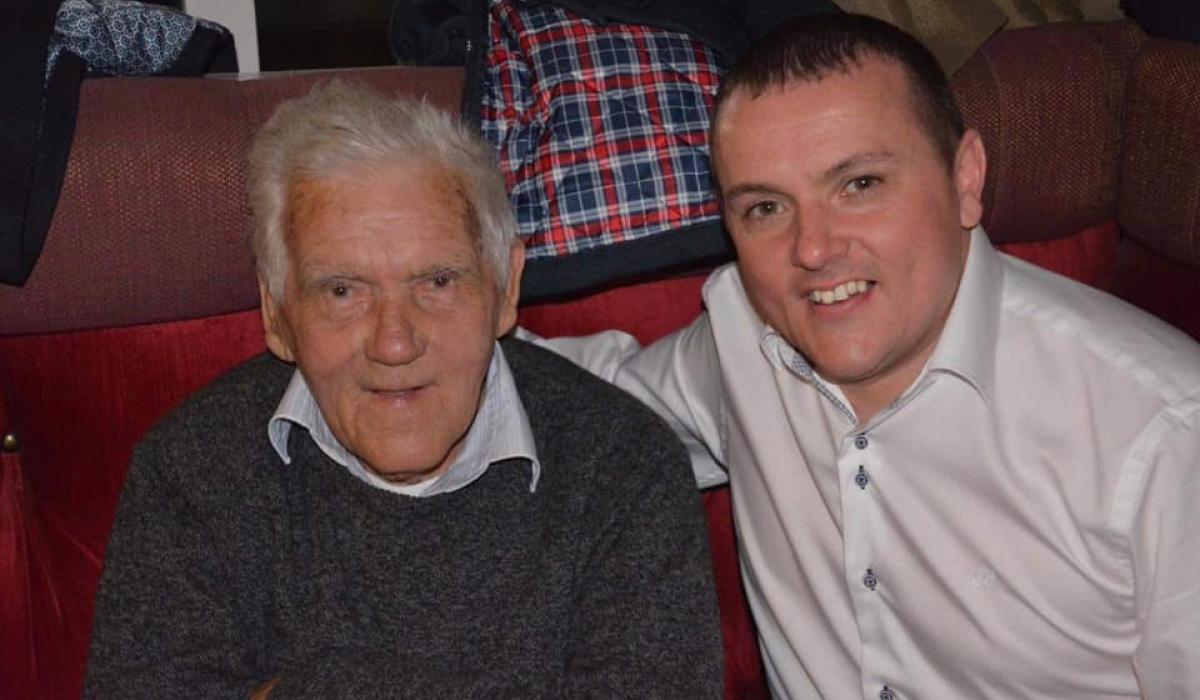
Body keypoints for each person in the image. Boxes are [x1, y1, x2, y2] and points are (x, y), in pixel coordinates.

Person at [538, 13, 1200, 699]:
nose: (813, 248)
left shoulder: (1164, 439)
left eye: (859, 185)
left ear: (965, 177)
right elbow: (578, 405)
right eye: (766, 208)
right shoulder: (742, 336)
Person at [83, 81, 723, 699]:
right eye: (343, 291)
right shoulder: (192, 471)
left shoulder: (624, 463)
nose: (394, 343)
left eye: (437, 282)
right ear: (276, 314)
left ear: (505, 289)